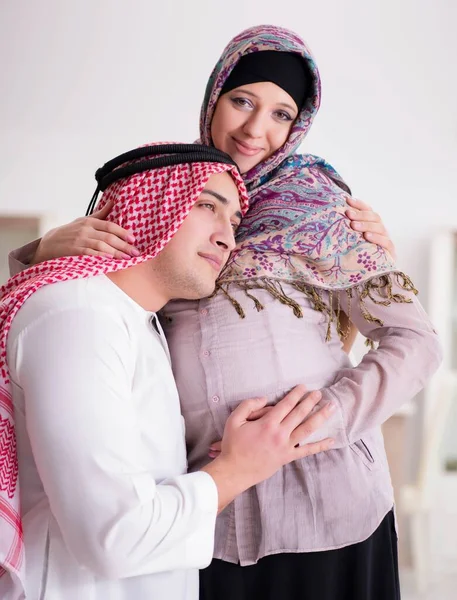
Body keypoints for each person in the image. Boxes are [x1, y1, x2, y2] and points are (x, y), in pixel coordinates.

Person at [7, 26, 442, 600]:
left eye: (281, 114)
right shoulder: (176, 199)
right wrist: (41, 252)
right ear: (215, 98)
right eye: (242, 100)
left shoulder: (322, 212)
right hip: (200, 517)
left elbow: (417, 341)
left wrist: (314, 424)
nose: (256, 130)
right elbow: (98, 297)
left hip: (325, 509)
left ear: (298, 125)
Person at [0, 143, 336, 600]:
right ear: (145, 206)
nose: (227, 238)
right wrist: (238, 469)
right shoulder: (78, 316)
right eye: (206, 207)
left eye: (235, 222)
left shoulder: (134, 318)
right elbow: (113, 539)